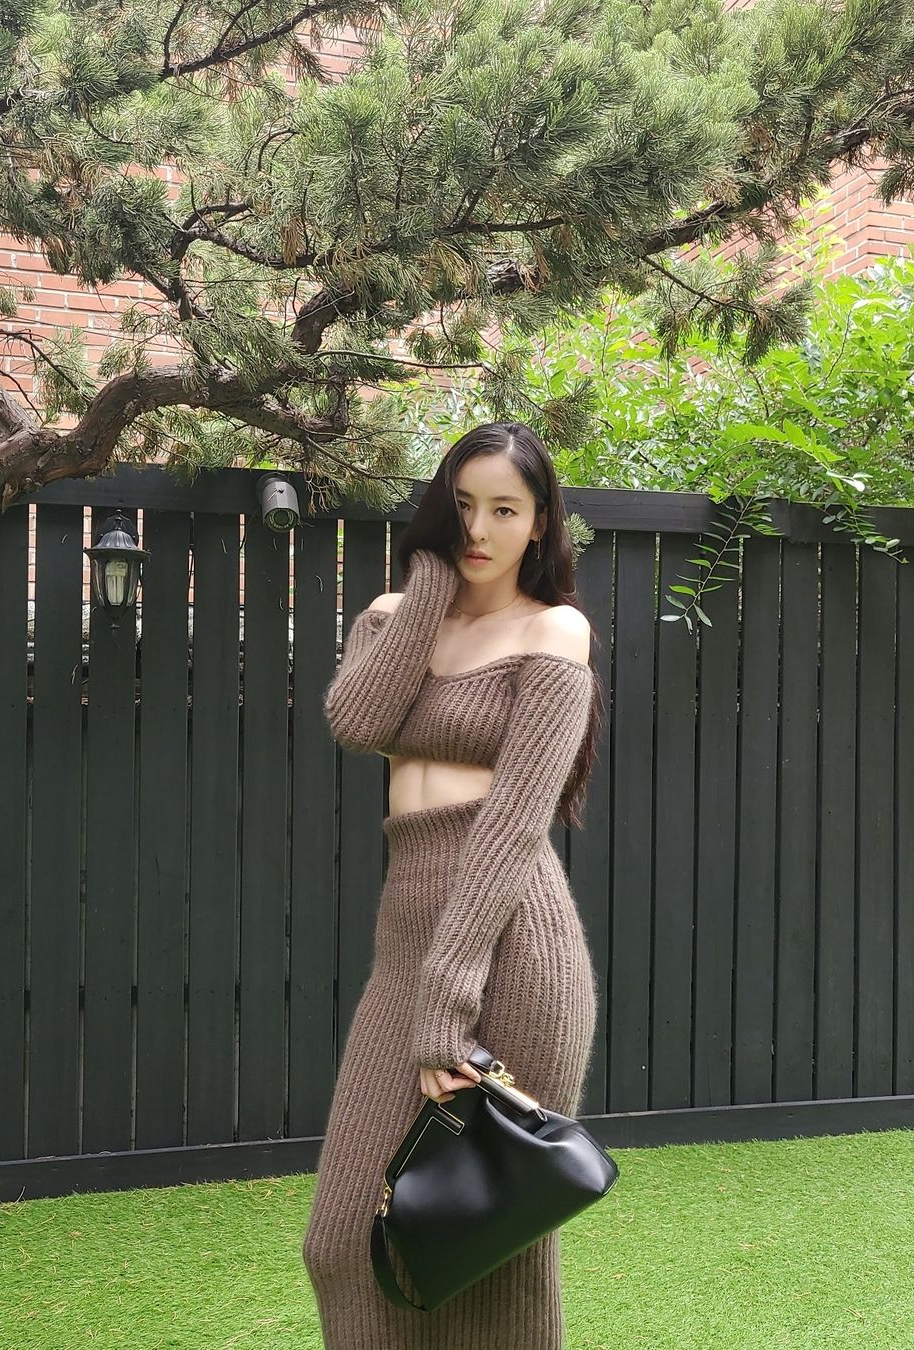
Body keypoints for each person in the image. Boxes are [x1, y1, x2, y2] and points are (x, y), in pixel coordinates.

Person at [302, 422, 604, 1348]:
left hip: (509, 950)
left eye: (505, 510)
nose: (479, 528)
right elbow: (357, 721)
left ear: (540, 522)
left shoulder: (554, 630)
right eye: (463, 505)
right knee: (341, 1244)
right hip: (410, 950)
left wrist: (450, 1002)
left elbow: (515, 825)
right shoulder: (397, 615)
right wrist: (430, 585)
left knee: (491, 1246)